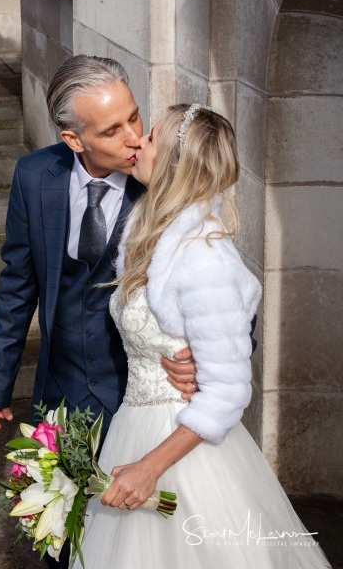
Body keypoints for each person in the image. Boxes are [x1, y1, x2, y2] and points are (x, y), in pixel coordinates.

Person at [73, 104, 331, 569]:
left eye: (149, 137)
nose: (137, 143)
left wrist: (149, 468)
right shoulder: (152, 228)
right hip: (136, 425)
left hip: (177, 449)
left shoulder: (206, 258)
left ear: (173, 164)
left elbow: (230, 390)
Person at [0, 56, 196, 569]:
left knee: (143, 536)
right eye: (113, 129)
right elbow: (17, 283)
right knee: (61, 536)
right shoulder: (35, 176)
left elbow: (224, 283)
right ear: (74, 139)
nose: (135, 138)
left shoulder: (165, 183)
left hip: (141, 396)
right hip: (62, 388)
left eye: (135, 117)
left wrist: (216, 358)